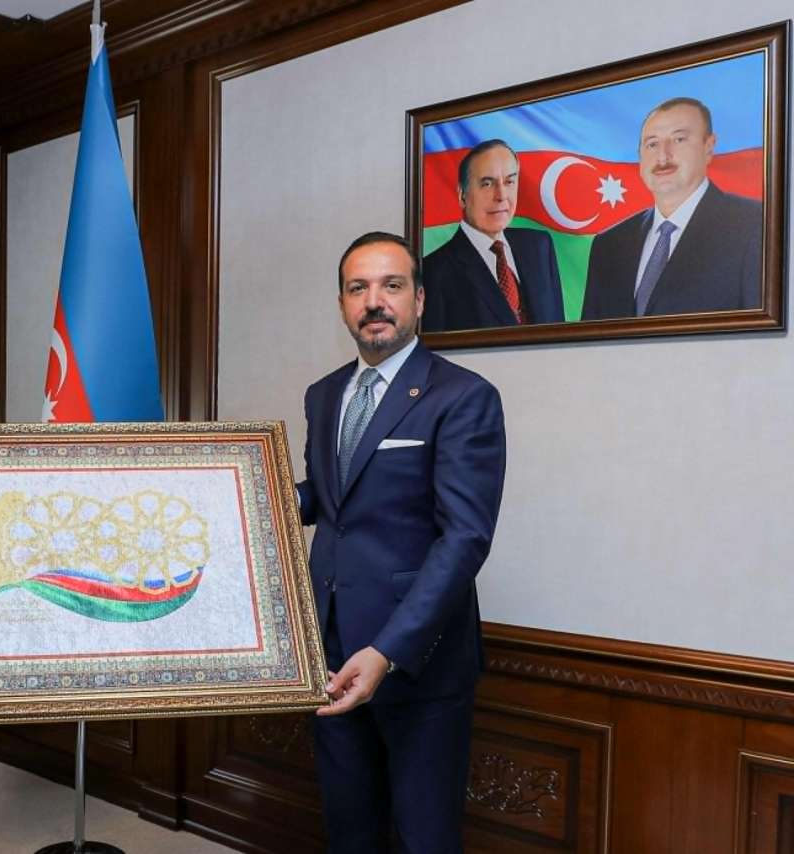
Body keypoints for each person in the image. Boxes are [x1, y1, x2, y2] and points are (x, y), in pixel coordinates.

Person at [297, 232, 506, 853]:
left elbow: (464, 537)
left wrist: (387, 652)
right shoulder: (323, 394)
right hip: (329, 650)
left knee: (424, 838)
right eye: (358, 288)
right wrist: (250, 495)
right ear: (342, 304)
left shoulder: (463, 396)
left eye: (391, 286)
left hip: (417, 660)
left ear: (418, 299)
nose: (374, 302)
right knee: (349, 830)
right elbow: (331, 498)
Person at [582, 97, 762, 319]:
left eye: (678, 139)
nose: (663, 156)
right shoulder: (608, 245)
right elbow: (592, 336)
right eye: (652, 144)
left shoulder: (753, 226)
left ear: (708, 147)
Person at [423, 139, 564, 331]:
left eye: (509, 182)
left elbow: (558, 332)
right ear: (462, 195)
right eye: (487, 184)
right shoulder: (433, 272)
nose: (501, 195)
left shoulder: (540, 246)